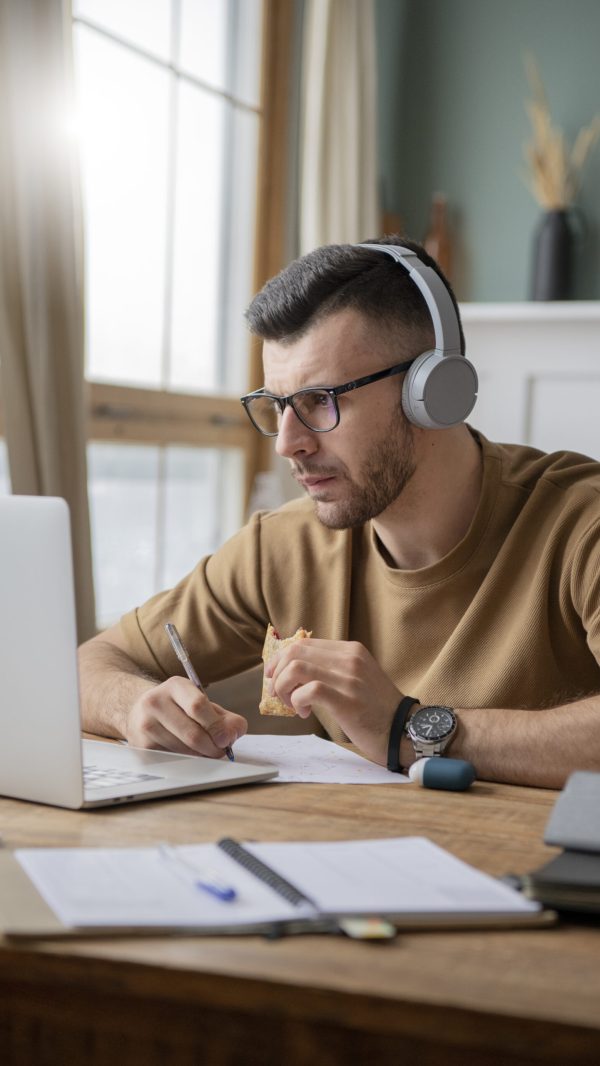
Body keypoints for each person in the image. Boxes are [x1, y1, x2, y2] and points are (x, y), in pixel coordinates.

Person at [78, 236, 600, 789]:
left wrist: (403, 727)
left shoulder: (579, 524)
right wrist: (134, 706)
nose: (288, 443)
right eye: (278, 405)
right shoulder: (282, 547)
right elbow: (90, 664)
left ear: (433, 391)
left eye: (320, 400)